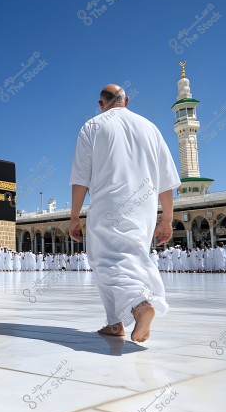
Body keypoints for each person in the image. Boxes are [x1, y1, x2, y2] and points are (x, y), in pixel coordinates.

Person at [69, 84, 180, 342]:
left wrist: (75, 216)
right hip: (144, 206)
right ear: (126, 100)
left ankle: (140, 305)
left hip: (110, 204)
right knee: (131, 254)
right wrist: (167, 219)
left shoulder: (92, 126)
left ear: (101, 104)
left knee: (109, 259)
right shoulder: (150, 127)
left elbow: (80, 178)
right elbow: (166, 179)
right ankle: (114, 322)